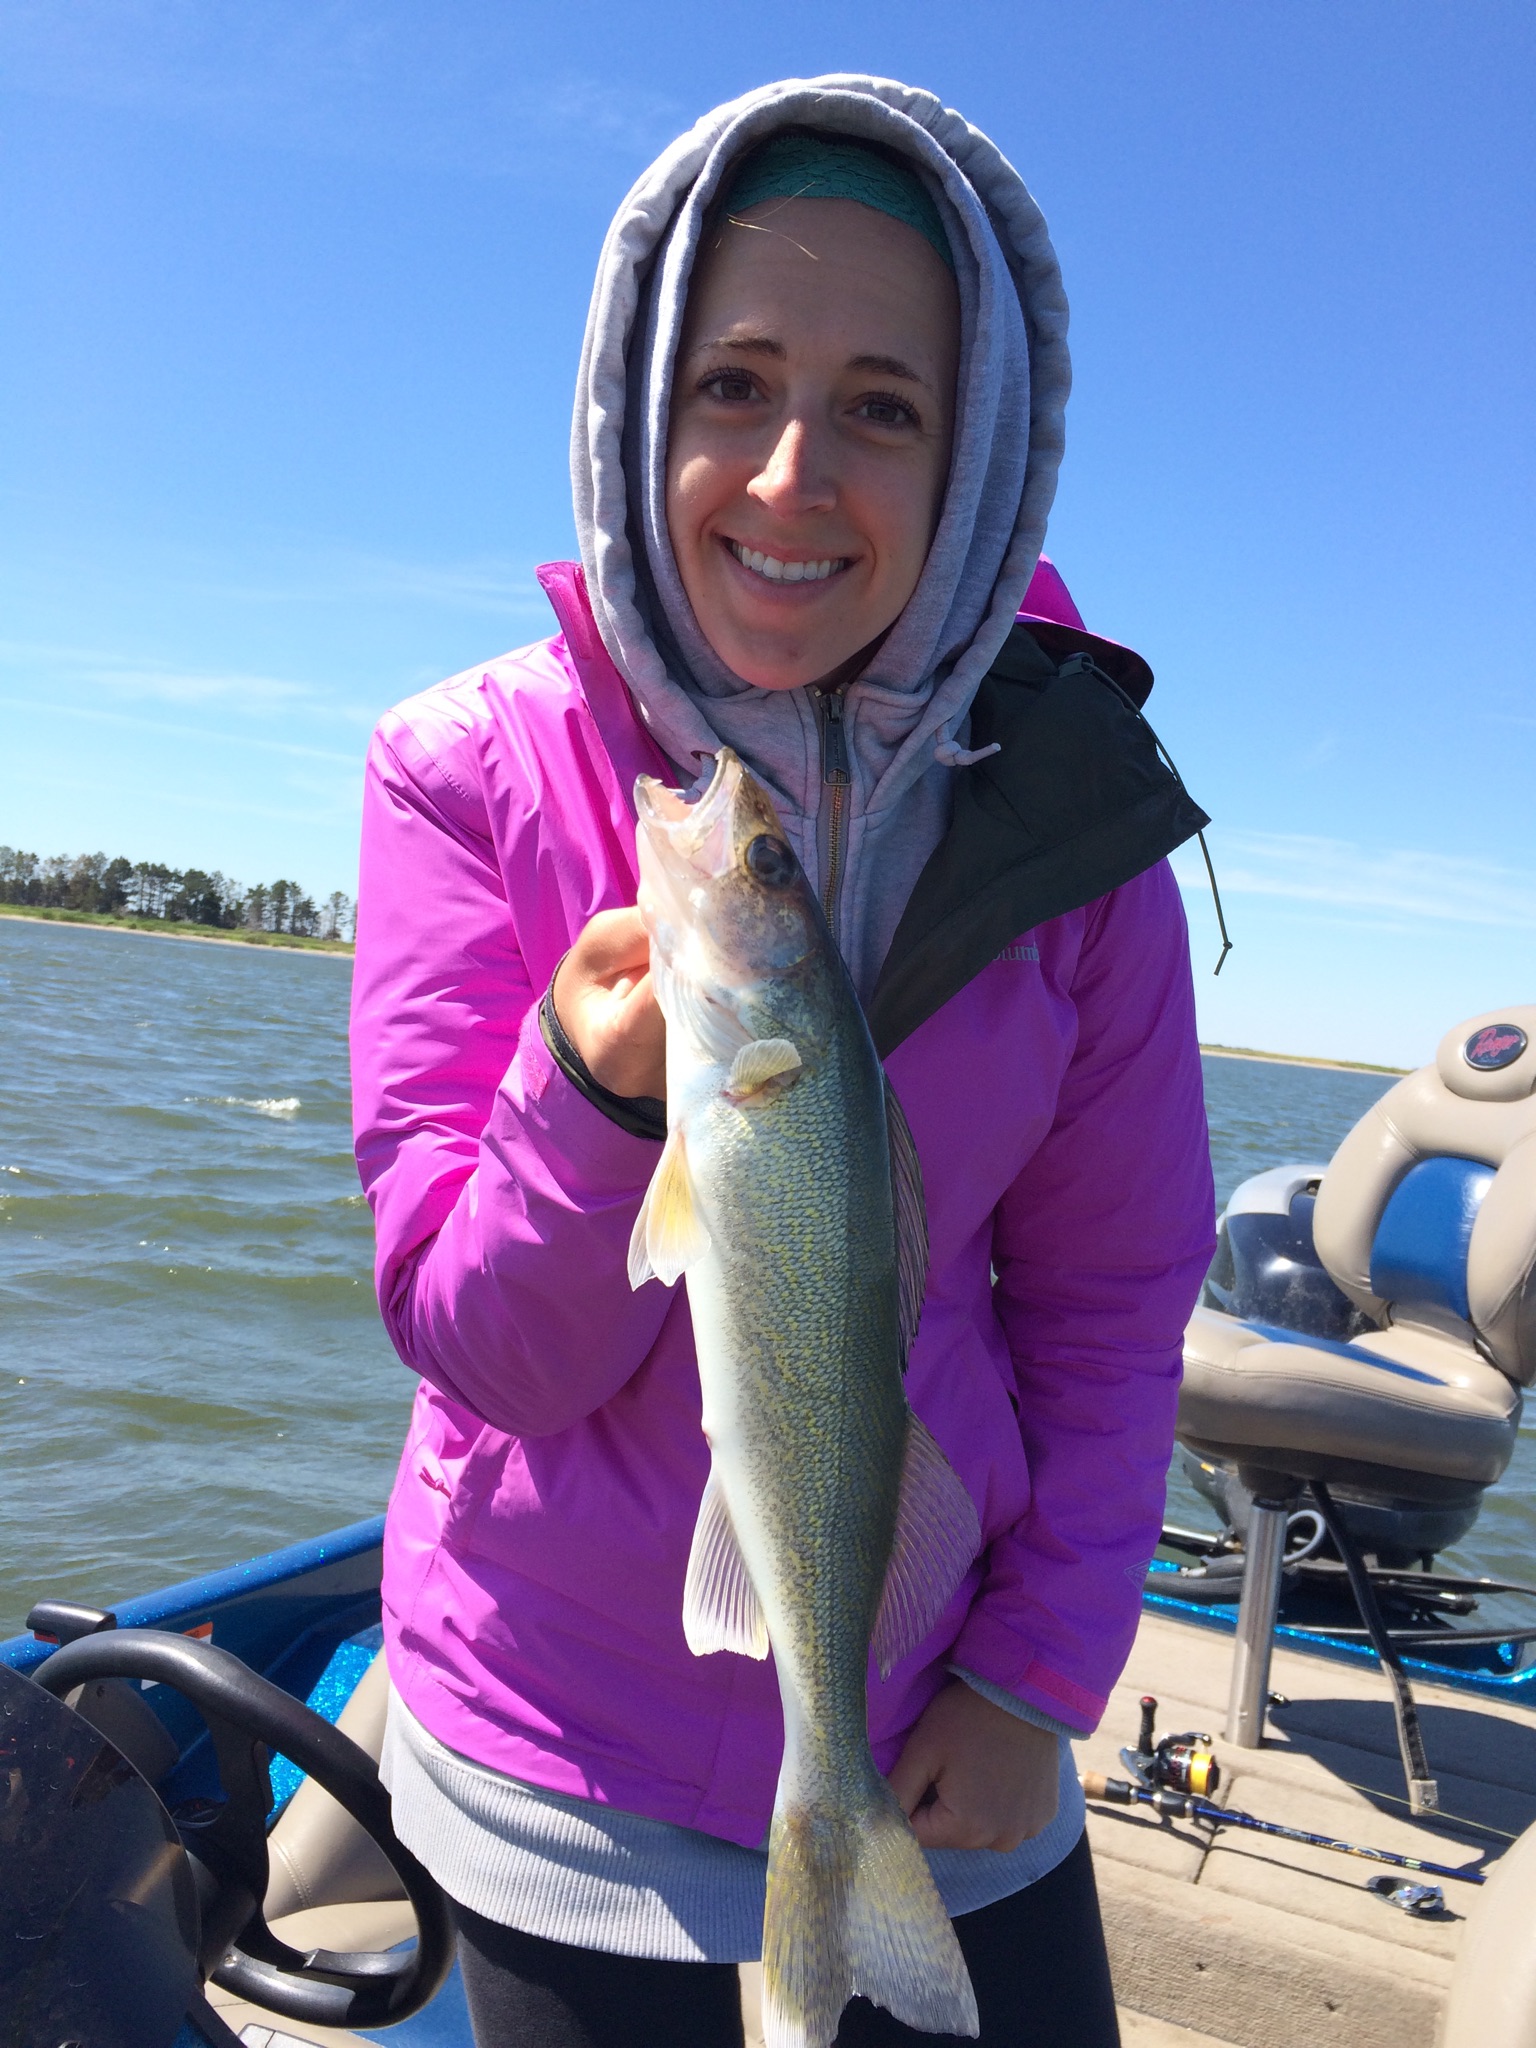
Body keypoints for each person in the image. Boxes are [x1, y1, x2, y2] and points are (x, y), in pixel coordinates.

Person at [350, 74, 1215, 2048]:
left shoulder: (1069, 823)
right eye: (730, 382)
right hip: (553, 1750)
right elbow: (488, 1348)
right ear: (636, 406)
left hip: (936, 1728)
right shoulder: (459, 775)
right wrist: (590, 1104)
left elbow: (1107, 1301)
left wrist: (1035, 1681)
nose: (791, 470)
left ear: (980, 448)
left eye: (885, 405)